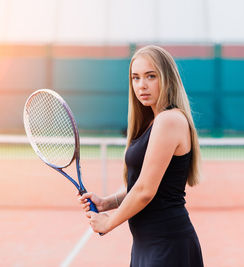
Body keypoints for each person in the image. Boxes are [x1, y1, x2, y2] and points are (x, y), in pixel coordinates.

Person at [79, 45, 203, 267]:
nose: (141, 85)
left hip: (167, 246)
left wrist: (109, 223)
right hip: (147, 245)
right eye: (135, 78)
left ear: (167, 79)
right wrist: (107, 202)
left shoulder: (169, 120)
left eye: (151, 76)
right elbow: (139, 184)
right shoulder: (151, 123)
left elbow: (145, 190)